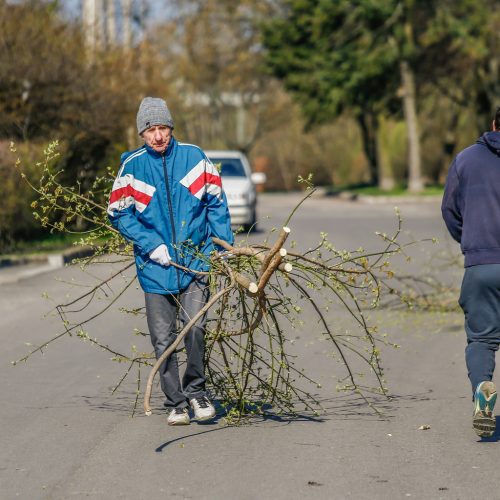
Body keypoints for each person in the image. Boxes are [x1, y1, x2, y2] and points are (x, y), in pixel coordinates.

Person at [108, 97, 233, 425]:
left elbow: (216, 203)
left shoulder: (194, 158)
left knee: (195, 329)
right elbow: (118, 213)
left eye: (162, 127)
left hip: (195, 262)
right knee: (163, 339)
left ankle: (197, 392)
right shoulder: (132, 167)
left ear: (171, 128)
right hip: (155, 268)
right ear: (142, 134)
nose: (158, 135)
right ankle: (176, 401)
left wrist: (223, 246)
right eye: (150, 130)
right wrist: (151, 245)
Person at [442, 107, 500, 437]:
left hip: (483, 265)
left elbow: (450, 210)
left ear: (493, 125)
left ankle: (483, 390)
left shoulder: (466, 159)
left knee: (481, 340)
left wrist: (471, 242)